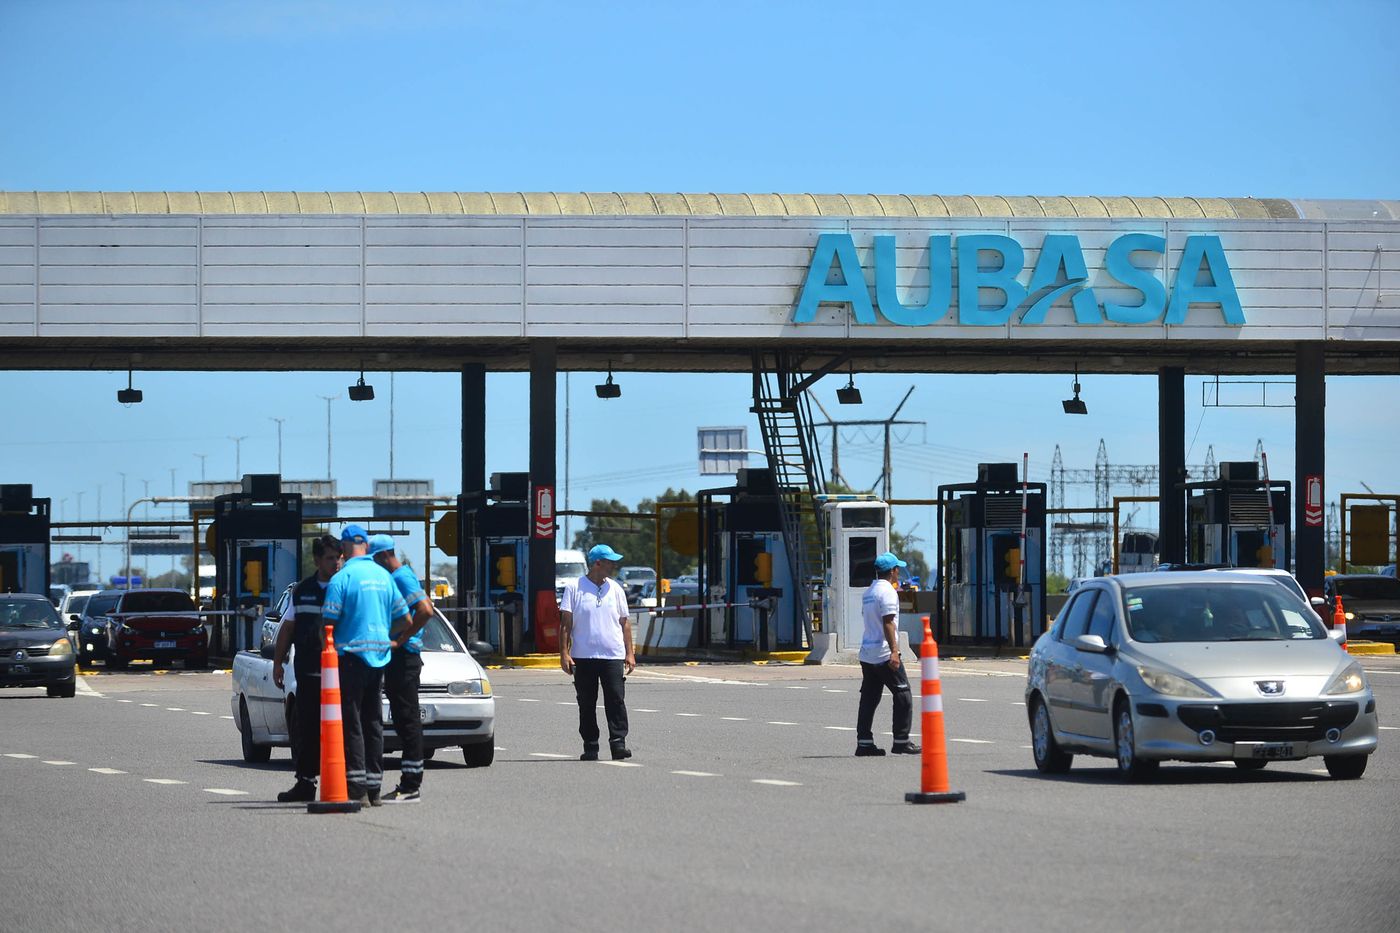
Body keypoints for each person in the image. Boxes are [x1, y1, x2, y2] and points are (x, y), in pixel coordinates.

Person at [322, 523, 411, 806]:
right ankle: (375, 787)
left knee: (352, 722)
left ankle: (356, 786)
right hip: (380, 658)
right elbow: (405, 619)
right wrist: (387, 636)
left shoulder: (342, 578)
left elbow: (328, 622)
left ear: (346, 547)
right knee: (374, 721)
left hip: (351, 658)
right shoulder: (384, 577)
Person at [273, 534, 343, 803]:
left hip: (339, 672)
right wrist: (278, 663)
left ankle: (346, 782)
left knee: (342, 728)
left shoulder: (344, 586)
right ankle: (305, 782)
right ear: (316, 560)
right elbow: (288, 627)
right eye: (329, 558)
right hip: (309, 671)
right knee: (307, 729)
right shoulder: (302, 591)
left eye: (338, 558)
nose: (335, 563)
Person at [368, 534, 434, 804]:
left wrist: (401, 639)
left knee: (408, 721)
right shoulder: (400, 576)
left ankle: (410, 786)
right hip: (399, 658)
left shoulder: (400, 578)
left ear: (383, 556)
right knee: (403, 719)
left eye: (374, 561)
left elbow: (425, 610)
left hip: (404, 657)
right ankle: (408, 784)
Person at [559, 543, 635, 761]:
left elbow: (625, 623)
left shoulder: (616, 589)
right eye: (610, 562)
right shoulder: (575, 588)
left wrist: (630, 653)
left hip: (612, 655)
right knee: (586, 703)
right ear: (597, 563)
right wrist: (564, 653)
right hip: (583, 656)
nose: (613, 566)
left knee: (616, 700)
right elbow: (566, 623)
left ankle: (618, 743)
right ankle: (590, 745)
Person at [855, 551, 920, 757]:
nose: (898, 573)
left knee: (869, 697)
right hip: (884, 653)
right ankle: (901, 740)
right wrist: (895, 651)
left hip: (867, 653)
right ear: (892, 571)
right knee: (903, 694)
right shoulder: (888, 592)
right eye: (897, 569)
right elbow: (888, 622)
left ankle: (864, 743)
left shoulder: (869, 592)